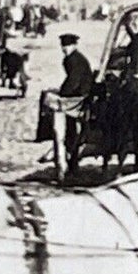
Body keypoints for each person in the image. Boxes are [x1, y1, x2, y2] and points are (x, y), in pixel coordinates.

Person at [35, 32, 95, 176]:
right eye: (63, 46)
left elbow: (73, 81)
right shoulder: (75, 58)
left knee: (50, 102)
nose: (64, 48)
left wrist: (62, 94)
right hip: (81, 93)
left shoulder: (73, 60)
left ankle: (51, 140)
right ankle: (64, 149)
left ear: (74, 45)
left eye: (67, 46)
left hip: (80, 96)